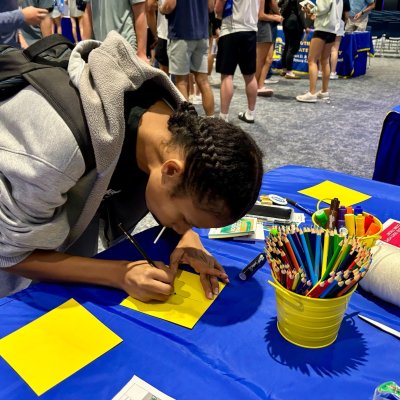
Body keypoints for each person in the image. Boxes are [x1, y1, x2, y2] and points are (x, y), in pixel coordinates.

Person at [0, 31, 264, 302]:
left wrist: (188, 239)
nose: (180, 227)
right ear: (171, 171)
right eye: (186, 220)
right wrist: (119, 274)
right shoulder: (57, 150)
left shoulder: (177, 132)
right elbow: (10, 253)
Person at [160, 0, 215, 117]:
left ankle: (187, 123)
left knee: (181, 82)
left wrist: (161, 9)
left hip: (181, 34)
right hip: (202, 34)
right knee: (203, 81)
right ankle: (212, 120)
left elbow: (170, 5)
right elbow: (211, 7)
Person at [214, 0, 260, 123]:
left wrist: (217, 16)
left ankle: (223, 117)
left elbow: (219, 6)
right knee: (250, 76)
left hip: (231, 31)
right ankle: (251, 113)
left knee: (227, 76)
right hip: (250, 31)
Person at [296, 0, 343, 102]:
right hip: (332, 29)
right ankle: (324, 91)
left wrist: (310, 9)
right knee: (325, 60)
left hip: (322, 28)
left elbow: (322, 8)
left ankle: (312, 93)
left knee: (312, 60)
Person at [82, 0, 148, 62]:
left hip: (125, 49)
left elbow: (140, 12)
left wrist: (141, 53)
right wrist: (84, 51)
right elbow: (88, 11)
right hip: (100, 50)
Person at [256, 0, 283, 97]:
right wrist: (277, 16)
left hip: (267, 23)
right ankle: (254, 86)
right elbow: (261, 15)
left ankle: (260, 85)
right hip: (263, 24)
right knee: (260, 60)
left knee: (268, 59)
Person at [278, 0, 305, 79]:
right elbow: (300, 14)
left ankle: (285, 69)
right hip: (295, 23)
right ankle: (289, 72)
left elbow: (279, 4)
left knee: (287, 46)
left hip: (286, 22)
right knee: (292, 48)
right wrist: (305, 26)